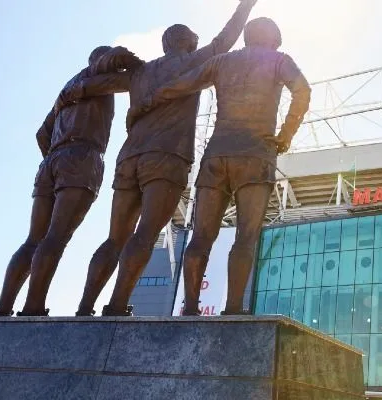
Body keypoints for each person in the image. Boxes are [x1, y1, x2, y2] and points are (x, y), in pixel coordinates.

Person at [72, 0, 258, 317]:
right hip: (166, 157)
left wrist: (83, 80)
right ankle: (116, 306)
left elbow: (91, 84)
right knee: (145, 235)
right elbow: (225, 39)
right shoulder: (193, 61)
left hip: (129, 157)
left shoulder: (139, 72)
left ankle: (85, 307)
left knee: (114, 238)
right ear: (186, 42)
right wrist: (246, 4)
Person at [131, 17, 311, 315]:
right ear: (273, 39)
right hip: (256, 154)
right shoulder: (279, 60)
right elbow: (303, 91)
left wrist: (144, 103)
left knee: (201, 236)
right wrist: (285, 135)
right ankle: (233, 309)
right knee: (245, 237)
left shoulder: (221, 62)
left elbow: (179, 86)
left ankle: (189, 309)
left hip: (215, 157)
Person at [0, 46, 143, 316]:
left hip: (51, 160)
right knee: (56, 237)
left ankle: (3, 308)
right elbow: (119, 61)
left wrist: (56, 156)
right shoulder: (96, 76)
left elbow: (42, 133)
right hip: (81, 156)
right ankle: (33, 306)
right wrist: (140, 66)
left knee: (33, 240)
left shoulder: (67, 88)